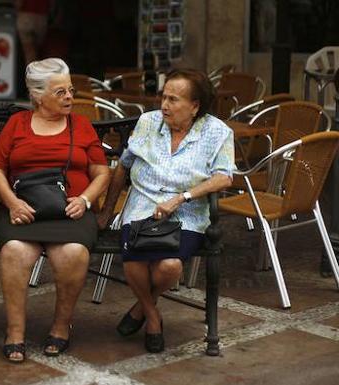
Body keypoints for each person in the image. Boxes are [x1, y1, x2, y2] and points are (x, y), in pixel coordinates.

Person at [97, 69, 235, 353]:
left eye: (174, 99)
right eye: (163, 97)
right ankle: (153, 317)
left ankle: (140, 309)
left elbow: (224, 177)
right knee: (134, 260)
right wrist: (108, 211)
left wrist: (182, 197)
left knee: (169, 265)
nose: (164, 105)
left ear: (195, 106)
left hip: (187, 214)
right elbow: (123, 164)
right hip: (141, 207)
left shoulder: (218, 132)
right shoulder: (149, 122)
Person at [0, 57, 110, 363]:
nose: (70, 96)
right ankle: (15, 331)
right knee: (14, 251)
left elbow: (101, 172)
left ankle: (60, 326)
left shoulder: (81, 126)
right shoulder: (16, 125)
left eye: (70, 90)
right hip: (22, 210)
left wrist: (84, 199)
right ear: (38, 96)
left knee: (73, 253)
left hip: (71, 210)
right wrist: (12, 203)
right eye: (60, 92)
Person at [16, 0, 53, 65]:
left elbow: (19, 3)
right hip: (42, 18)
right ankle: (38, 72)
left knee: (29, 54)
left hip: (25, 17)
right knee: (37, 52)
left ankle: (32, 73)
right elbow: (52, 5)